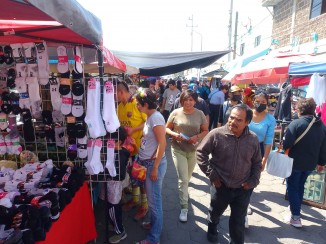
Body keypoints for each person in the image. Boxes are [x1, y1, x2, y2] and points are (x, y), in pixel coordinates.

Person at [197, 104, 261, 244]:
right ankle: (212, 227)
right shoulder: (216, 134)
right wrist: (212, 175)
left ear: (247, 122)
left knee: (238, 222)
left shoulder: (253, 139)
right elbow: (200, 153)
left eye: (238, 119)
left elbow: (257, 163)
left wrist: (253, 181)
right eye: (231, 118)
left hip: (243, 189)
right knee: (215, 213)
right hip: (221, 187)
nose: (233, 122)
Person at [166, 89, 208, 222]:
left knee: (187, 178)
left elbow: (205, 130)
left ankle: (183, 192)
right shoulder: (175, 112)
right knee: (183, 179)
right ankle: (184, 207)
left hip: (194, 150)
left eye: (191, 100)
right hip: (178, 149)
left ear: (195, 101)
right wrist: (174, 134)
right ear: (181, 100)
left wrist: (197, 136)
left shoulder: (200, 113)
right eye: (185, 99)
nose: (188, 102)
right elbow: (166, 128)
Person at [283, 97, 326, 228]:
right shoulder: (322, 126)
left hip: (294, 163)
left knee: (292, 187)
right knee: (300, 186)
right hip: (310, 164)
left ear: (300, 110)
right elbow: (324, 147)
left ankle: (295, 217)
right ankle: (296, 209)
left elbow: (286, 144)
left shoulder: (295, 124)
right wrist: (321, 163)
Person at [134, 88, 167, 244]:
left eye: (139, 104)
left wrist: (155, 167)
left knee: (154, 203)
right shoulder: (150, 116)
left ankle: (154, 239)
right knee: (153, 200)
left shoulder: (156, 118)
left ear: (146, 104)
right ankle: (155, 225)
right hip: (149, 163)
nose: (137, 107)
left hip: (153, 165)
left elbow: (163, 143)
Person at [116, 81, 148, 220]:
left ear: (121, 92)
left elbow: (148, 121)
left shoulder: (137, 104)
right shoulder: (119, 106)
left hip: (139, 149)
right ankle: (135, 200)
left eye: (115, 93)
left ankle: (145, 206)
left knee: (141, 178)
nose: (114, 96)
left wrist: (134, 129)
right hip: (126, 149)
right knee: (132, 176)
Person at [246, 92, 276, 227]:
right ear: (253, 102)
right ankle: (241, 205)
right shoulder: (246, 113)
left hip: (258, 150)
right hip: (242, 147)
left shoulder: (270, 120)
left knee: (252, 178)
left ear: (267, 103)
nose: (259, 103)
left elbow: (268, 142)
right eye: (257, 100)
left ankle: (244, 204)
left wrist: (264, 160)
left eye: (263, 101)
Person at [100, 127, 130, 244]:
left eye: (111, 140)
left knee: (113, 208)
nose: (108, 142)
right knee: (110, 207)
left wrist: (108, 172)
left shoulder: (121, 155)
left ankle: (120, 231)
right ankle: (115, 225)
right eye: (108, 139)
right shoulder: (112, 150)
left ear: (120, 142)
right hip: (109, 184)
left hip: (114, 186)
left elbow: (121, 176)